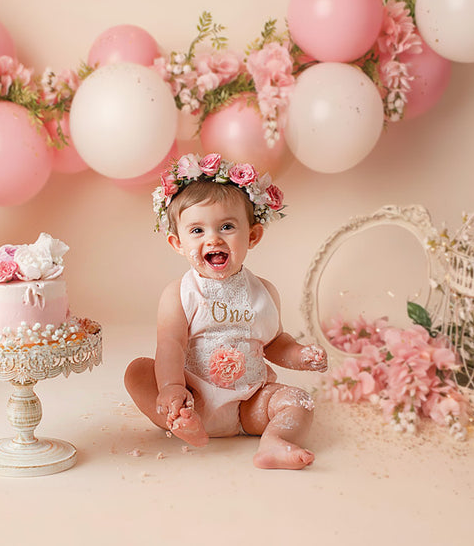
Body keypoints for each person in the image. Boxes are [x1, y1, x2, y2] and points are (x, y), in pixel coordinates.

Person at [124, 152, 327, 470]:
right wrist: (172, 388)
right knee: (137, 371)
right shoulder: (179, 293)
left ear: (253, 235)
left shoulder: (264, 292)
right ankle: (181, 420)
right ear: (177, 243)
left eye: (227, 226)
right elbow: (171, 345)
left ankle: (274, 442)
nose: (213, 238)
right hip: (193, 396)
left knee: (299, 402)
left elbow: (274, 342)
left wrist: (300, 355)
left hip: (250, 403)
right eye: (197, 231)